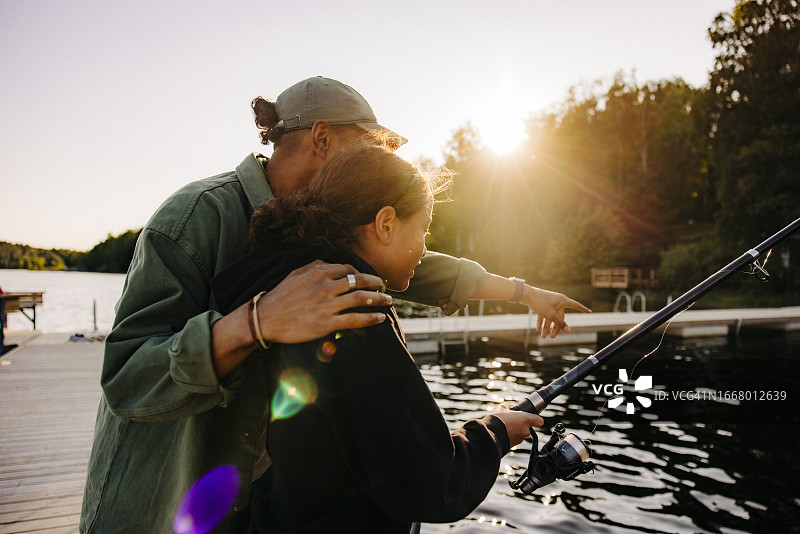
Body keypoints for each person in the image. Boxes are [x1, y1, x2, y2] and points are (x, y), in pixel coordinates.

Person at [80, 76, 589, 533]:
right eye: (367, 149)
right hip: (159, 505)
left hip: (247, 507)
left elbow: (418, 264)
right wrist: (257, 322)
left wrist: (525, 292)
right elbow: (128, 374)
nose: (378, 164)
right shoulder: (197, 216)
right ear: (323, 139)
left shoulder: (329, 240)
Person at [211, 144, 543, 533]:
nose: (424, 247)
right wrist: (497, 431)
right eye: (423, 229)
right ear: (386, 224)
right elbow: (425, 481)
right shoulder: (355, 311)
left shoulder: (291, 287)